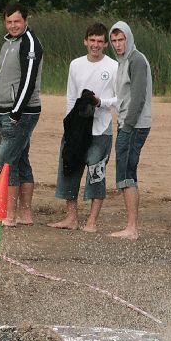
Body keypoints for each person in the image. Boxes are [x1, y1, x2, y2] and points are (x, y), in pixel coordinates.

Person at [48, 23, 117, 232]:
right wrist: (69, 125)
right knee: (69, 167)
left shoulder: (114, 67)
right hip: (77, 127)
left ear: (105, 44)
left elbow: (120, 100)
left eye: (100, 41)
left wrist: (99, 102)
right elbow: (71, 96)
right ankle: (71, 218)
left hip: (101, 128)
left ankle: (92, 222)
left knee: (96, 172)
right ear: (85, 41)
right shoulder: (75, 65)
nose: (95, 45)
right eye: (92, 40)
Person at [0, 3, 43, 227]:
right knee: (21, 161)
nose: (13, 25)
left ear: (25, 21)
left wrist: (16, 112)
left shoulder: (30, 43)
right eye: (9, 22)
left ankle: (9, 215)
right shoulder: (7, 43)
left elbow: (29, 80)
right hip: (4, 110)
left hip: (21, 113)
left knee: (7, 161)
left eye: (17, 21)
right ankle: (25, 214)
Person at [109, 21, 152, 240]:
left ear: (128, 38)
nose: (117, 44)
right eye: (114, 40)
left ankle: (132, 228)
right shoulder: (122, 62)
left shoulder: (136, 60)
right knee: (127, 173)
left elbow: (138, 98)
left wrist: (127, 126)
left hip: (134, 125)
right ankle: (131, 226)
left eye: (121, 39)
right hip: (127, 123)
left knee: (126, 173)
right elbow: (123, 97)